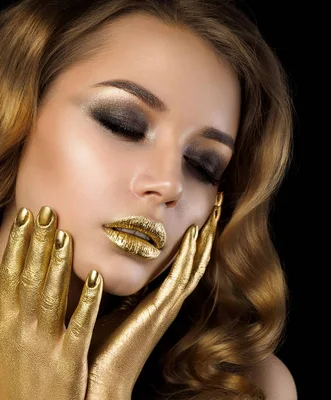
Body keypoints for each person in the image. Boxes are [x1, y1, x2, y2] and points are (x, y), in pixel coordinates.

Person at [0, 0, 296, 398]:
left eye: (203, 165)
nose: (170, 184)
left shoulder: (244, 387)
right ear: (17, 113)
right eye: (123, 124)